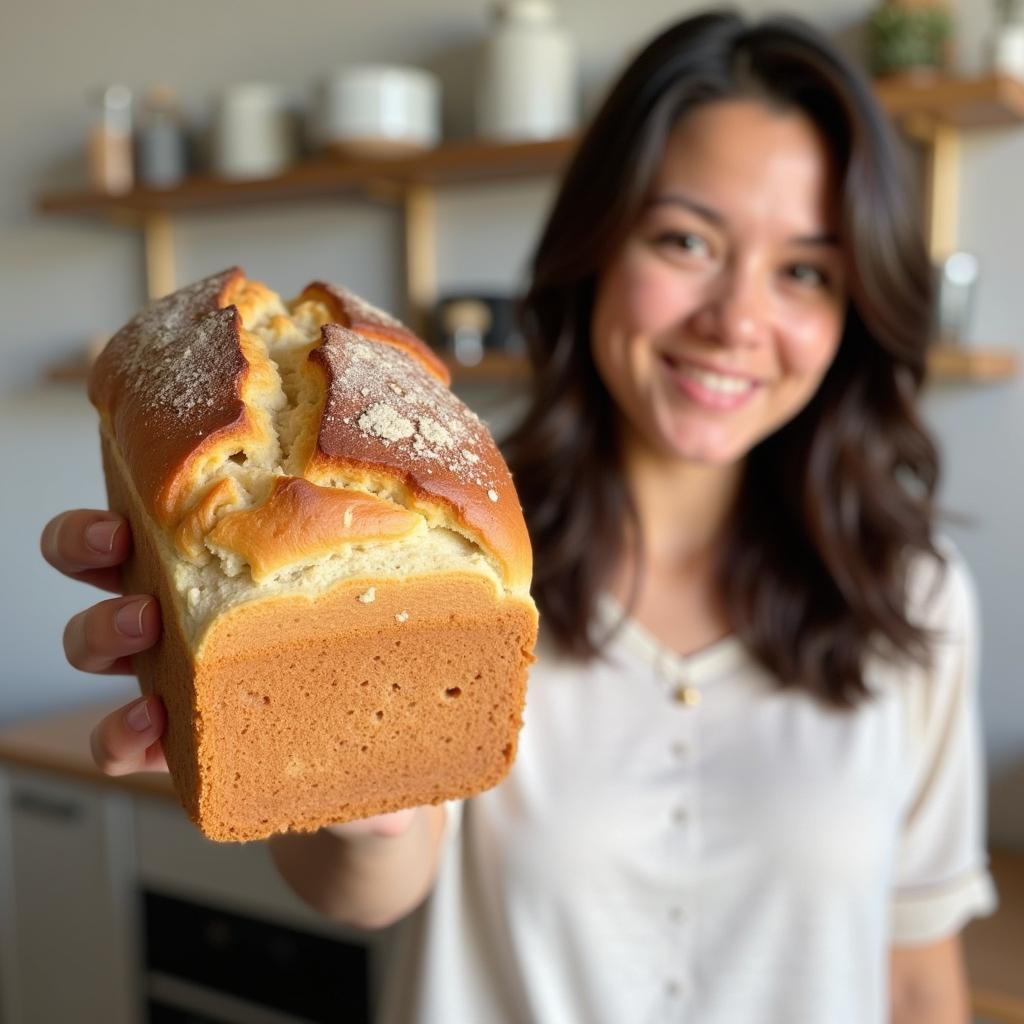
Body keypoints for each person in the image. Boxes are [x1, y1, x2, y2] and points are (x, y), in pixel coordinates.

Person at [41, 10, 996, 1024]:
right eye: (685, 240)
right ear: (594, 247)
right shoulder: (437, 555)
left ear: (853, 309)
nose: (736, 320)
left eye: (804, 269)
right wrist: (354, 791)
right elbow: (368, 887)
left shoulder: (912, 595)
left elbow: (914, 968)